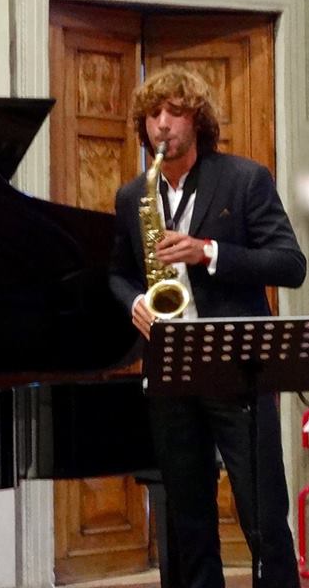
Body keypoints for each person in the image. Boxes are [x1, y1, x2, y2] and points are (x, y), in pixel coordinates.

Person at [109, 66, 306, 588]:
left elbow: (291, 264)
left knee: (263, 515)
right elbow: (117, 274)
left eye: (174, 112)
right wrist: (134, 302)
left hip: (238, 368)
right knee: (187, 521)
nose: (162, 124)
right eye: (153, 114)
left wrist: (209, 252)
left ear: (197, 120)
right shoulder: (133, 197)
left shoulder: (245, 179)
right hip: (171, 368)